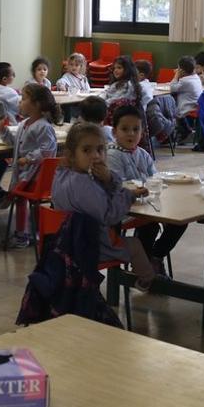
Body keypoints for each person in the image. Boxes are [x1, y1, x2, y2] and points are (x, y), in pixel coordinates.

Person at [51, 122, 157, 292]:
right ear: (71, 155)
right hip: (90, 247)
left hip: (63, 245)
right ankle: (147, 279)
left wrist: (108, 179)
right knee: (135, 244)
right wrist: (128, 195)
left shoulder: (62, 174)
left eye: (100, 149)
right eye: (87, 150)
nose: (95, 156)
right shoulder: (85, 183)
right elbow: (110, 215)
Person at [107, 104, 185, 274]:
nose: (131, 134)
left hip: (148, 205)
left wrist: (156, 185)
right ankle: (143, 266)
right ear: (114, 132)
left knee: (180, 221)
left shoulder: (142, 153)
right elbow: (118, 187)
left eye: (136, 129)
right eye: (125, 129)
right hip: (125, 210)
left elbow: (155, 178)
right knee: (150, 226)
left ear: (142, 131)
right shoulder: (112, 155)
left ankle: (155, 257)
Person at [0, 84, 61, 249]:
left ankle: (22, 235)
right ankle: (32, 232)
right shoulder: (24, 124)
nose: (20, 101)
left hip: (35, 176)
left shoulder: (43, 126)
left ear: (37, 105)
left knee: (20, 198)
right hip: (26, 174)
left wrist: (28, 159)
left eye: (24, 98)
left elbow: (48, 150)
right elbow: (15, 143)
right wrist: (3, 131)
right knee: (24, 199)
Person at [168, 55, 202, 144]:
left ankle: (183, 132)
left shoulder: (186, 81)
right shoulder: (196, 78)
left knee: (167, 108)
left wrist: (176, 75)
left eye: (178, 68)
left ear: (182, 70)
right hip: (195, 107)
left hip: (186, 110)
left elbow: (172, 88)